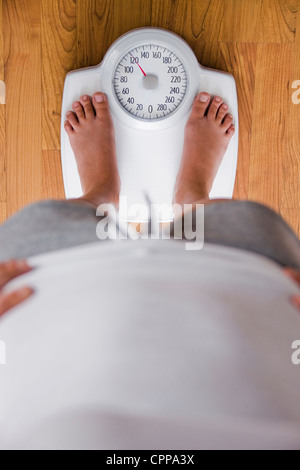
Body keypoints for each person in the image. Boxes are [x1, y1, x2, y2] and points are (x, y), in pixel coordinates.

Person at [0, 92, 300, 450]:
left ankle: (100, 192)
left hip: (42, 290)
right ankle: (193, 195)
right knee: (246, 221)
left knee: (45, 220)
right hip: (248, 290)